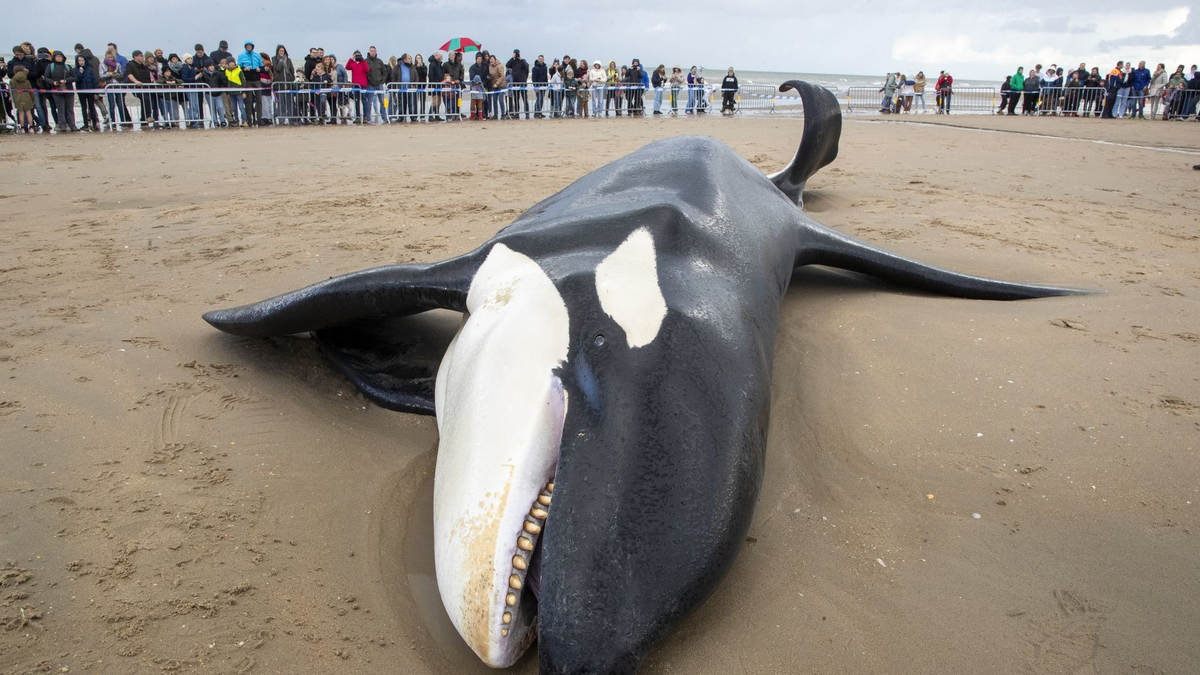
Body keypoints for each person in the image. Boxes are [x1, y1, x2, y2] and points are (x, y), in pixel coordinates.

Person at [42, 50, 78, 132]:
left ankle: (72, 125)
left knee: (70, 110)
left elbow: (75, 77)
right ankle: (62, 126)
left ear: (63, 57)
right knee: (60, 109)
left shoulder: (68, 66)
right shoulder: (50, 67)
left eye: (60, 56)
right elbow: (46, 78)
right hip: (56, 91)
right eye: (57, 56)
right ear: (54, 57)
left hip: (68, 90)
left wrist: (66, 81)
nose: (59, 58)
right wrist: (53, 82)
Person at [74, 53, 100, 131]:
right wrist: (80, 73)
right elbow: (76, 80)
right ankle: (85, 124)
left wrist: (96, 92)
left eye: (82, 60)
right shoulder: (75, 70)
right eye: (79, 60)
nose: (81, 62)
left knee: (92, 107)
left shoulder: (90, 69)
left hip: (90, 91)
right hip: (81, 91)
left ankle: (94, 124)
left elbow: (94, 81)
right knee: (83, 108)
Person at [363, 46, 387, 123]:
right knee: (369, 102)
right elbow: (363, 73)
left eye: (374, 51)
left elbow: (384, 72)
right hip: (370, 84)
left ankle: (384, 117)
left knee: (383, 101)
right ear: (369, 51)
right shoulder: (365, 61)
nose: (373, 52)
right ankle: (368, 118)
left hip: (379, 84)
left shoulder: (379, 61)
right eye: (372, 51)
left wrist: (382, 81)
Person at [345, 50, 369, 123]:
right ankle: (358, 117)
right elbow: (347, 67)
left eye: (358, 55)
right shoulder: (353, 63)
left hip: (363, 84)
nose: (357, 57)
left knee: (364, 101)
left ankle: (365, 117)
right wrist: (351, 59)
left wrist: (363, 60)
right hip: (355, 85)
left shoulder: (363, 62)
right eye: (356, 55)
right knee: (357, 101)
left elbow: (367, 70)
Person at [10, 65, 35, 133]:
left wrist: (11, 97)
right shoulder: (26, 80)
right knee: (28, 112)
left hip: (17, 97)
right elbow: (30, 90)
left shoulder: (12, 80)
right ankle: (31, 127)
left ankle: (22, 127)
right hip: (27, 97)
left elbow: (11, 90)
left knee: (21, 113)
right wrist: (33, 99)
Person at [506, 49, 529, 119]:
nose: (516, 55)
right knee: (516, 99)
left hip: (522, 83)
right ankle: (517, 113)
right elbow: (507, 65)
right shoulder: (512, 61)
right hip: (515, 83)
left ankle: (527, 113)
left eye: (517, 53)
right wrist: (512, 57)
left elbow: (526, 67)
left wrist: (520, 59)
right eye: (516, 53)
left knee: (525, 98)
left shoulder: (523, 61)